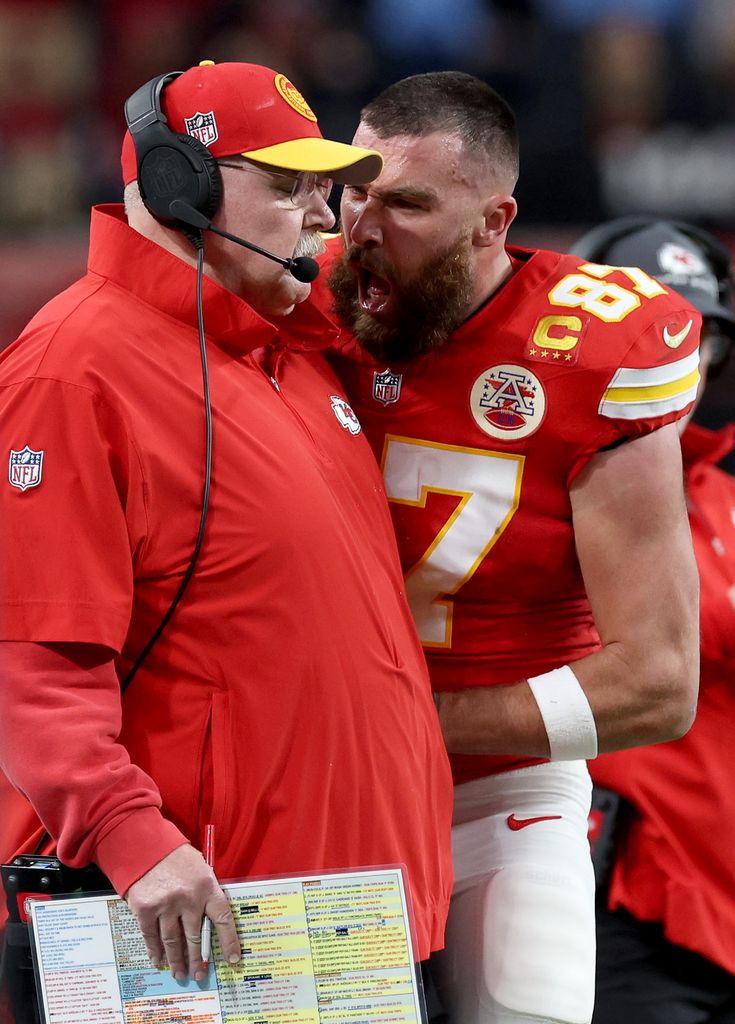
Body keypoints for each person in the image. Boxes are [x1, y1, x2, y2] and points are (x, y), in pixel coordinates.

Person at [0, 60, 454, 1020]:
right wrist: (134, 840)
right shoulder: (71, 373)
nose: (322, 220)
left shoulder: (282, 349)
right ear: (181, 187)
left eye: (324, 192)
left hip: (347, 914)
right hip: (195, 922)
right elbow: (29, 659)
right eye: (289, 189)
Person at [313, 71, 701, 1024]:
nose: (363, 225)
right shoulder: (294, 291)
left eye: (406, 202)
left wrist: (403, 723)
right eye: (354, 189)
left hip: (499, 784)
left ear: (494, 220)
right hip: (320, 780)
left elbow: (656, 681)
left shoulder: (589, 348)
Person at [568, 218, 735, 1024]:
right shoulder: (528, 489)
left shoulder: (726, 501)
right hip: (619, 909)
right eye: (653, 328)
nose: (677, 356)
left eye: (696, 338)